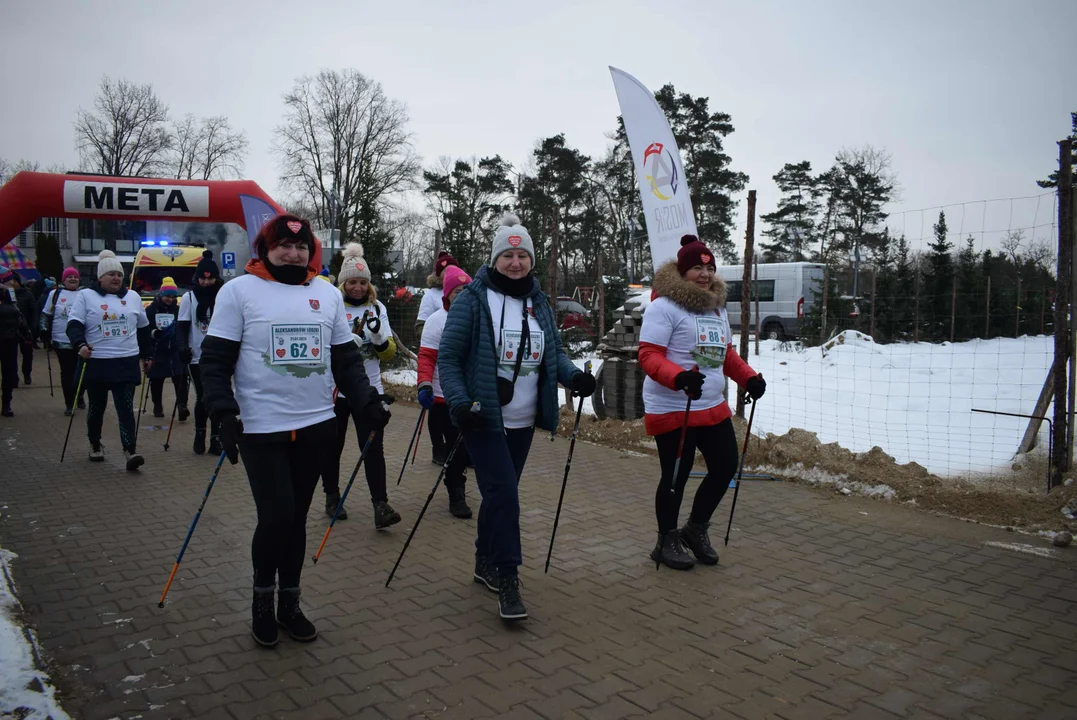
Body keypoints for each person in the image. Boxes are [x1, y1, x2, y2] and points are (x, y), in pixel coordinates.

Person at [199, 214, 389, 648]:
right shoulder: (238, 292)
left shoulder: (326, 294)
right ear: (266, 248)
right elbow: (214, 363)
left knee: (298, 519)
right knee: (277, 517)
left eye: (302, 247)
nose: (294, 252)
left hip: (316, 425)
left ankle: (291, 601)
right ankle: (261, 600)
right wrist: (223, 412)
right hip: (262, 429)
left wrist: (368, 402)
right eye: (284, 244)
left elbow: (345, 360)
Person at [438, 213, 596, 622]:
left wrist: (574, 375)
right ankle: (508, 577)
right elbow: (450, 359)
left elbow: (554, 353)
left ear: (531, 260)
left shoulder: (538, 301)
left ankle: (483, 561)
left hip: (523, 420)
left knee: (497, 495)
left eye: (522, 254)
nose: (515, 262)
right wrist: (458, 402)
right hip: (483, 418)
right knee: (505, 494)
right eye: (507, 254)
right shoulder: (474, 298)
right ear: (494, 259)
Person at [638, 235, 766, 571]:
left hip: (710, 404)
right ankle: (665, 540)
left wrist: (749, 378)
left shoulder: (716, 307)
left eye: (709, 267)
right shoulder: (663, 307)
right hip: (673, 406)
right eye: (697, 267)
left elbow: (725, 355)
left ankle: (695, 529)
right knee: (676, 476)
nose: (705, 273)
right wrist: (678, 377)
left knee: (725, 467)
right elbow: (649, 355)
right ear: (682, 272)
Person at [320, 242, 401, 528]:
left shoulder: (377, 307)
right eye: (352, 282)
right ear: (343, 283)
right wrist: (343, 346)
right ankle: (331, 496)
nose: (358, 287)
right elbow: (320, 350)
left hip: (370, 390)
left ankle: (381, 504)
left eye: (363, 282)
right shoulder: (332, 306)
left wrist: (378, 339)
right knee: (333, 447)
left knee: (373, 448)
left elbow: (389, 353)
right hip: (337, 391)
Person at [66, 250, 153, 471]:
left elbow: (143, 329)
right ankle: (95, 443)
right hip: (98, 362)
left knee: (125, 409)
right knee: (97, 408)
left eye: (119, 275)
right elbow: (73, 325)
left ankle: (130, 450)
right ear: (100, 277)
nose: (116, 278)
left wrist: (148, 355)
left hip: (126, 362)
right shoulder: (86, 296)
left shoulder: (132, 297)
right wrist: (80, 345)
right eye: (111, 274)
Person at [417, 265, 474, 519]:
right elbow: (427, 357)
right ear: (447, 294)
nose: (461, 295)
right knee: (454, 448)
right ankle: (455, 492)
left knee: (466, 447)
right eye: (457, 291)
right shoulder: (436, 321)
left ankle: (459, 481)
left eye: (466, 291)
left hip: (471, 395)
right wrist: (425, 384)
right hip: (443, 395)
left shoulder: (478, 318)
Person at [417, 251, 460, 464]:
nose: (446, 274)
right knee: (437, 412)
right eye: (442, 271)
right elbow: (422, 324)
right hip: (437, 355)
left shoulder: (462, 290)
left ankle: (459, 453)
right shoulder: (431, 295)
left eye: (449, 270)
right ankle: (438, 448)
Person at [177, 251, 222, 455]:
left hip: (220, 356)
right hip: (197, 355)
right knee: (204, 396)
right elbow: (182, 326)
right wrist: (182, 347)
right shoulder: (189, 297)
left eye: (210, 278)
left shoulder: (223, 296)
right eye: (203, 278)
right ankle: (200, 433)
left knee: (218, 396)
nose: (206, 283)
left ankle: (216, 437)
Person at [40, 268, 85, 415]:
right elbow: (45, 314)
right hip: (61, 340)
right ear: (63, 280)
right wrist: (43, 329)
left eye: (75, 277)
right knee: (67, 372)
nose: (73, 279)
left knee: (82, 371)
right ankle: (69, 402)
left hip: (81, 340)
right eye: (69, 277)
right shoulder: (55, 294)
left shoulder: (84, 294)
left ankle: (79, 394)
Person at [144, 277, 189, 420]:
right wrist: (154, 333)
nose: (170, 299)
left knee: (181, 378)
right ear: (161, 295)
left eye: (173, 296)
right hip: (158, 350)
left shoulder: (178, 310)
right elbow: (146, 328)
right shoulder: (151, 310)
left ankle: (182, 406)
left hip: (175, 349)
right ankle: (157, 405)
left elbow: (184, 327)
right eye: (167, 296)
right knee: (157, 380)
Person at [1, 267, 32, 417]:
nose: (12, 282)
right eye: (8, 280)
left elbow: (18, 315)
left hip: (10, 340)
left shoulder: (10, 296)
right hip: (5, 338)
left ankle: (6, 403)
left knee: (9, 373)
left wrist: (26, 333)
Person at [9, 273, 37, 385]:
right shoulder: (6, 295)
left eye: (12, 281)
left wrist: (34, 329)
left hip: (26, 330)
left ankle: (27, 374)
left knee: (27, 354)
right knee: (11, 356)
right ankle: (13, 377)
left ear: (17, 282)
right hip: (11, 330)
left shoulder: (28, 295)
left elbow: (34, 312)